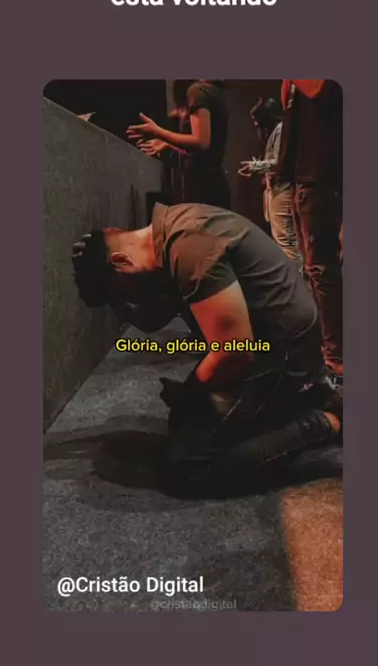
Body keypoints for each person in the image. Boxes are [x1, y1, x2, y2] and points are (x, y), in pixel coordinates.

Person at [71, 202, 342, 497]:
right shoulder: (167, 237)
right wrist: (109, 292)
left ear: (122, 260)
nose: (130, 298)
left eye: (125, 292)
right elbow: (152, 320)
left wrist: (188, 393)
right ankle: (301, 400)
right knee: (183, 423)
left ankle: (321, 422)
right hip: (261, 339)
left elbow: (234, 354)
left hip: (280, 347)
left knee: (187, 470)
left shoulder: (190, 247)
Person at [276, 80, 343, 378]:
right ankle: (321, 346)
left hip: (321, 176)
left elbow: (318, 91)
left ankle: (336, 354)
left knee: (322, 268)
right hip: (302, 175)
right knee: (312, 269)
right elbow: (287, 104)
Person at [127, 80, 231, 209]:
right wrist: (169, 144)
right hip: (213, 185)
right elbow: (203, 152)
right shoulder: (215, 93)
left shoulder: (198, 91)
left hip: (201, 189)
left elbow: (201, 142)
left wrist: (156, 131)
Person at [239, 97, 302, 267]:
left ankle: (295, 280)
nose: (255, 124)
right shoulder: (273, 132)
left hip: (283, 189)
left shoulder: (280, 130)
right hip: (275, 190)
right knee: (282, 240)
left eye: (256, 120)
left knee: (286, 241)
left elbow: (280, 161)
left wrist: (256, 166)